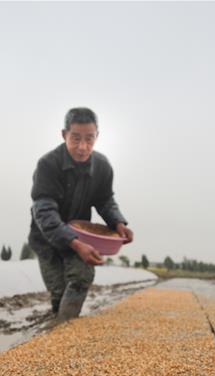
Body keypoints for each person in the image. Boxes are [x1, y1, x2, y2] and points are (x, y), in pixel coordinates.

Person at [28, 107, 133, 322]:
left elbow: (105, 200)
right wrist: (74, 243)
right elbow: (44, 211)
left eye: (89, 139)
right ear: (64, 134)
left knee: (81, 277)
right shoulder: (48, 165)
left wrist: (118, 222)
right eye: (75, 138)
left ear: (97, 137)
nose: (83, 147)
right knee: (58, 291)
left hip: (82, 236)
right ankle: (58, 327)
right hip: (47, 238)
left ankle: (65, 330)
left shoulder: (102, 167)